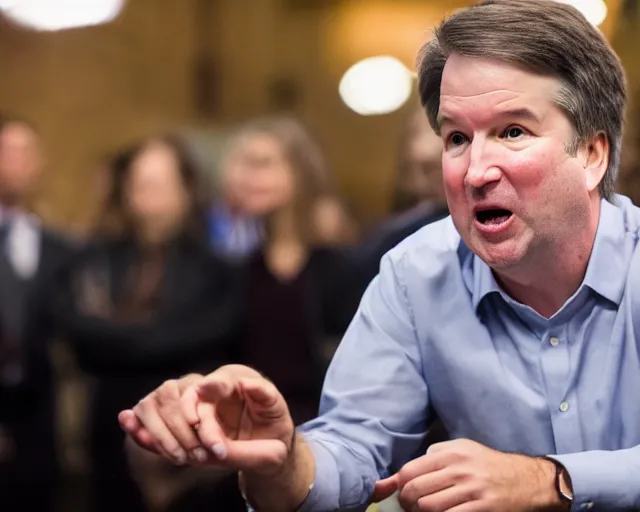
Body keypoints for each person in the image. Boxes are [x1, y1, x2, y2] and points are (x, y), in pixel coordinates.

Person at [119, 1, 637, 511]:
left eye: (513, 132)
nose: (475, 170)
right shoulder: (416, 276)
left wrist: (551, 480)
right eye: (457, 137)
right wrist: (282, 459)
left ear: (592, 155)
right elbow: (351, 450)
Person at [0, 115, 76, 511]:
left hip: (38, 422)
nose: (15, 163)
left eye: (25, 153)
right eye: (6, 151)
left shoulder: (62, 249)